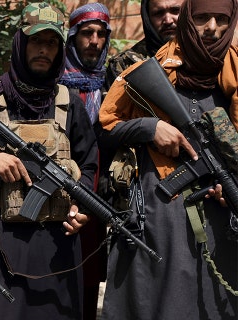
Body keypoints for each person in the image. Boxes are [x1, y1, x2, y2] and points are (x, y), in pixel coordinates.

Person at [98, 0, 238, 318]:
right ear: (190, 18)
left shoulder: (235, 70)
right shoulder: (150, 70)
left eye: (221, 19)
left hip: (223, 215)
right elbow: (105, 130)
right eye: (202, 17)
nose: (212, 28)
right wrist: (151, 127)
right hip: (161, 210)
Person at [0, 2, 97, 319]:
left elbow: (90, 164)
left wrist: (82, 207)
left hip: (58, 248)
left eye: (51, 42)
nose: (43, 50)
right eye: (36, 40)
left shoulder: (69, 103)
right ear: (21, 43)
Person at [58, 3, 111, 320]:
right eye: (87, 33)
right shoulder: (55, 83)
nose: (93, 41)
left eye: (100, 34)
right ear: (74, 36)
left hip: (99, 195)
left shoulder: (113, 82)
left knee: (89, 280)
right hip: (62, 191)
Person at [104, 0, 184, 90]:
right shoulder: (125, 64)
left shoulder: (201, 55)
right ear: (148, 18)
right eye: (158, 13)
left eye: (176, 10)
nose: (168, 20)